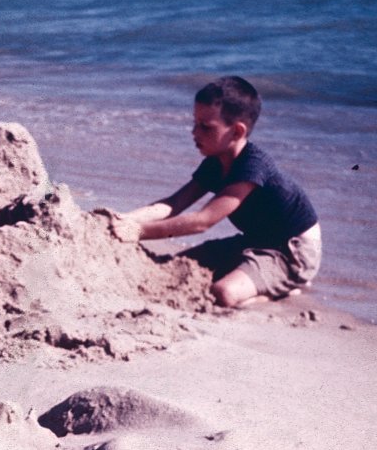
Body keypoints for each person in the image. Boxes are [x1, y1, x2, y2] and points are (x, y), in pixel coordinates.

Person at [109, 76, 321, 307]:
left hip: (291, 251)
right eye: (194, 123)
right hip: (254, 240)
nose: (194, 132)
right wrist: (125, 218)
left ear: (237, 132)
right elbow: (174, 203)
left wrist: (138, 231)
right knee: (177, 265)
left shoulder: (253, 166)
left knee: (224, 292)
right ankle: (259, 275)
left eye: (205, 127)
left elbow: (202, 222)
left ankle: (286, 288)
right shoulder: (215, 162)